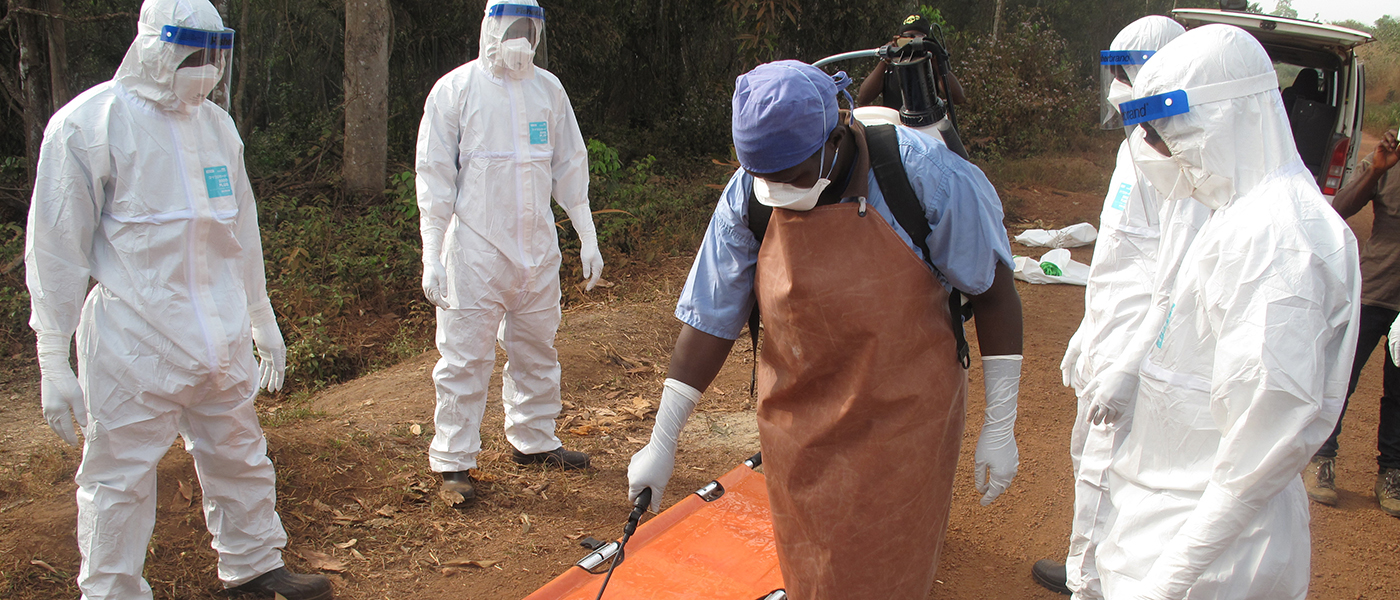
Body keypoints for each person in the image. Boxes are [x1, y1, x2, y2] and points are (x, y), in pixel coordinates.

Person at [626, 60, 1024, 599]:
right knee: (812, 565)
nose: (779, 190)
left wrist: (999, 426)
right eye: (766, 179)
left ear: (836, 132)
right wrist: (662, 441)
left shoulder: (924, 175)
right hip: (800, 422)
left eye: (792, 176)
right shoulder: (749, 193)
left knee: (888, 567)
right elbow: (711, 317)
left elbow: (994, 293)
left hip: (904, 418)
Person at [24, 1, 331, 598]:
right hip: (133, 343)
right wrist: (51, 359)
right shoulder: (90, 124)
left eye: (215, 53)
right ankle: (111, 590)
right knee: (118, 480)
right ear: (154, 47)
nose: (206, 67)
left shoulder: (217, 127)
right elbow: (55, 250)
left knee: (239, 453)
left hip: (219, 335)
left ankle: (254, 568)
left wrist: (261, 321)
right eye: (192, 51)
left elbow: (240, 233)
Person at [1084, 25, 1360, 599]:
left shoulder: (1280, 242)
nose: (1161, 153)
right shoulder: (1235, 216)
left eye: (1171, 135)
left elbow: (1263, 446)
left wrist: (1171, 579)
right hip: (1165, 520)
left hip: (1214, 561)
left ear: (1229, 117)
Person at [1029, 15, 1193, 599]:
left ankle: (1091, 583)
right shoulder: (1136, 150)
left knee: (1107, 465)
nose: (1117, 86)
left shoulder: (1177, 157)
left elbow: (1176, 274)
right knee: (1086, 457)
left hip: (1137, 344)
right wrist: (1087, 331)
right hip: (1109, 330)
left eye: (1126, 72)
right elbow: (1117, 256)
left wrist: (1130, 359)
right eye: (1116, 74)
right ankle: (1086, 565)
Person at [415, 0, 602, 507]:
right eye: (512, 26)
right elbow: (434, 177)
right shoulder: (456, 90)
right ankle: (454, 459)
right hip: (475, 250)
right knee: (464, 357)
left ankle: (534, 438)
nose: (522, 36)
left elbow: (569, 164)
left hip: (536, 249)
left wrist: (586, 233)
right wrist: (433, 253)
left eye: (530, 26)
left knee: (538, 346)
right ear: (491, 28)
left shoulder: (549, 90)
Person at [1306, 127, 1400, 515]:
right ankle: (1322, 460)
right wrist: (1376, 171)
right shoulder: (1387, 162)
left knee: (1399, 394)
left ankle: (1391, 474)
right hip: (1375, 293)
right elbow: (1338, 208)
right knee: (1342, 380)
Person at [855, 13, 966, 109]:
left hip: (925, 126)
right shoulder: (891, 65)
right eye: (908, 38)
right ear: (898, 40)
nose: (913, 43)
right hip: (896, 126)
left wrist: (937, 62)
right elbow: (863, 99)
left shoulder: (931, 64)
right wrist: (885, 60)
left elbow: (958, 98)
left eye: (918, 38)